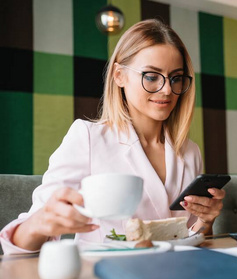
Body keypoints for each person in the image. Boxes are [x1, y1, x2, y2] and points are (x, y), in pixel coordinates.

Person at [0, 19, 225, 254]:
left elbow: (188, 238)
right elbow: (26, 240)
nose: (167, 89)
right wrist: (41, 221)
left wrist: (205, 221)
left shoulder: (189, 151)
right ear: (119, 76)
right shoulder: (88, 138)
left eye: (176, 78)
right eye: (151, 76)